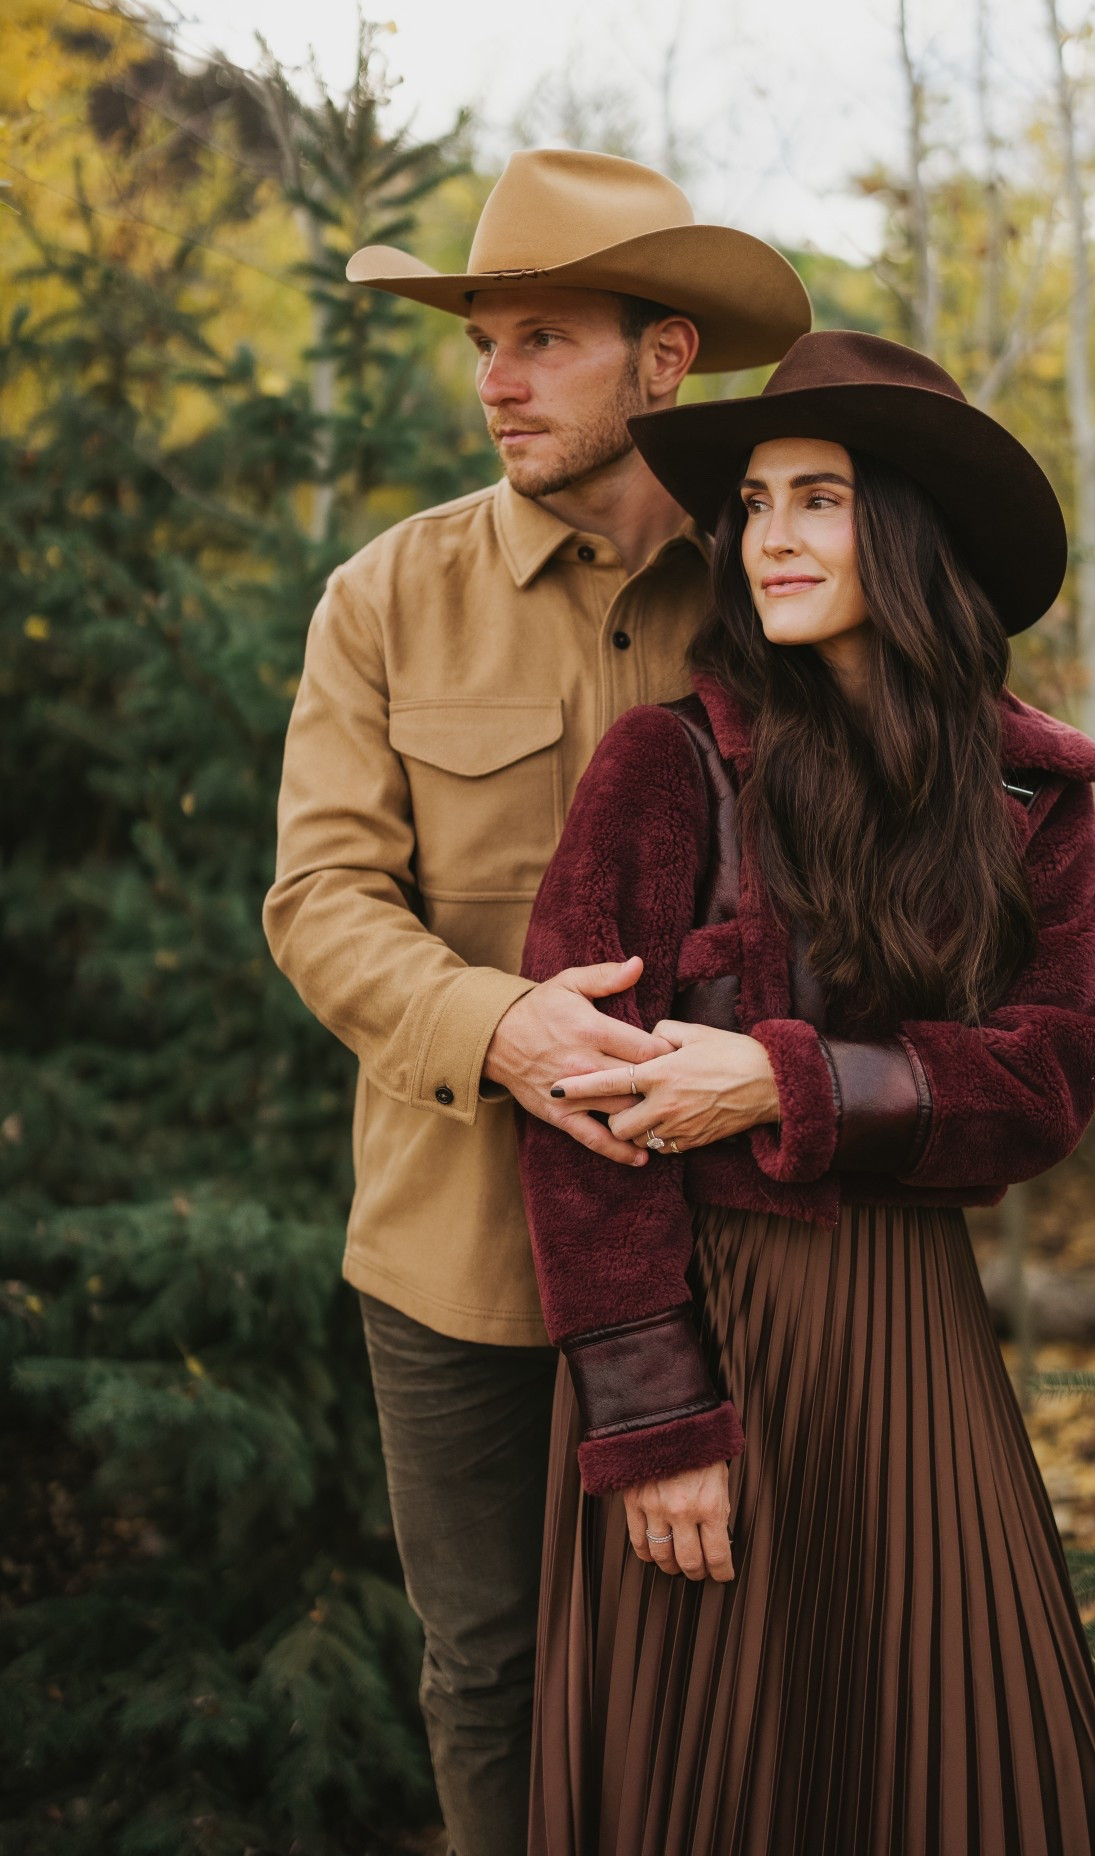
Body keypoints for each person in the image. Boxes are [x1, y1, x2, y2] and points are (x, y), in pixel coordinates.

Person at [516, 328, 1095, 1855]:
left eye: (820, 500)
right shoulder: (662, 769)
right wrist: (655, 1421)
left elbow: (1049, 1072)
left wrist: (781, 1080)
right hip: (704, 1327)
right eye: (753, 503)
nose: (769, 538)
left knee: (981, 1758)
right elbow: (580, 1129)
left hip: (912, 1328)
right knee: (717, 1778)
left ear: (907, 529)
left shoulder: (1021, 793)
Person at [261, 146, 810, 1856]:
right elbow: (320, 899)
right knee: (487, 1669)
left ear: (663, 359)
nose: (494, 382)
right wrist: (489, 1025)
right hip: (460, 1254)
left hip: (753, 1241)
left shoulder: (784, 592)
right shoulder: (385, 598)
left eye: (544, 340)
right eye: (482, 340)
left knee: (754, 1657)